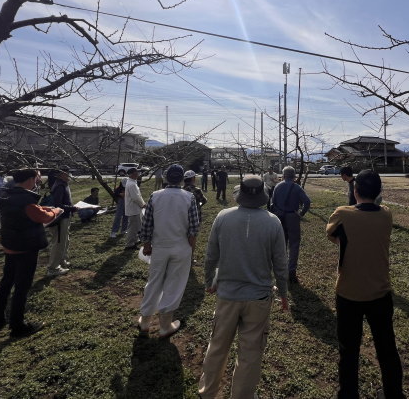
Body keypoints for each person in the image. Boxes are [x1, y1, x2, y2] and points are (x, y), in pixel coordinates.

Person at [198, 175, 289, 398]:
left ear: (240, 195)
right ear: (262, 196)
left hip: (227, 295)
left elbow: (210, 256)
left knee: (218, 345)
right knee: (251, 352)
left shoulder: (223, 217)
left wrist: (210, 281)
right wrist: (284, 294)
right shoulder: (273, 221)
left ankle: (207, 391)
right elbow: (280, 265)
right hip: (258, 298)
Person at [327, 169, 405, 399]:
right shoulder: (386, 214)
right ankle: (394, 393)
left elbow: (332, 235)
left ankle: (348, 394)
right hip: (381, 293)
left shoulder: (343, 213)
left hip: (348, 292)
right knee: (387, 348)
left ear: (355, 190)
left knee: (348, 350)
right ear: (379, 191)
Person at [0, 169, 64, 337]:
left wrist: (45, 208)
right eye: (37, 178)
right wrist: (56, 211)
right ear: (30, 179)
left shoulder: (8, 195)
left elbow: (32, 210)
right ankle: (17, 326)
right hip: (25, 248)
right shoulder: (26, 200)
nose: (38, 181)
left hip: (10, 245)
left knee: (6, 281)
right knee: (22, 287)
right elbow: (42, 217)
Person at [137, 164, 200, 337]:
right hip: (181, 247)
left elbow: (147, 223)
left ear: (165, 178)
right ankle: (165, 325)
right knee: (175, 283)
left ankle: (145, 321)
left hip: (160, 246)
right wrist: (191, 250)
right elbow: (193, 229)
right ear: (181, 179)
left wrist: (147, 244)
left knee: (154, 281)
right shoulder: (189, 197)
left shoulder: (155, 196)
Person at [270, 165, 311, 284]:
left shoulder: (277, 186)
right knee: (294, 244)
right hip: (293, 217)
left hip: (280, 217)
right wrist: (301, 213)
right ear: (293, 176)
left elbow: (273, 203)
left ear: (283, 175)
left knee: (282, 244)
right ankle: (292, 271)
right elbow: (307, 202)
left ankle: (281, 271)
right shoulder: (297, 187)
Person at [47, 166, 75, 276]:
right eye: (67, 173)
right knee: (58, 242)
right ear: (61, 175)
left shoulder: (64, 184)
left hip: (66, 217)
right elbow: (58, 205)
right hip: (60, 219)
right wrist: (73, 208)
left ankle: (62, 260)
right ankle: (53, 268)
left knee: (65, 241)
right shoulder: (59, 186)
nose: (69, 175)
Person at [124, 167, 146, 250]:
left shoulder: (132, 182)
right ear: (133, 174)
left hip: (135, 208)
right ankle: (130, 244)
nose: (138, 174)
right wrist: (143, 204)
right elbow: (135, 197)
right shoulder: (132, 184)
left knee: (137, 226)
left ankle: (135, 240)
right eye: (137, 173)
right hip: (133, 209)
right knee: (132, 228)